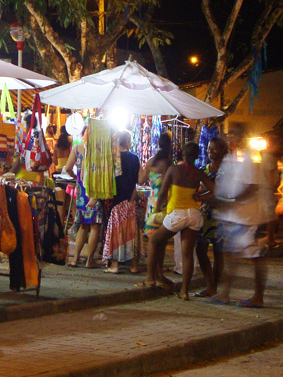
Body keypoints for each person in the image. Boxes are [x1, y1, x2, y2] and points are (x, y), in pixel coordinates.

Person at [146, 142, 214, 299]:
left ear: (182, 154)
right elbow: (214, 190)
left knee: (154, 240)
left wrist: (157, 210)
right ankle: (184, 291)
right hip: (194, 215)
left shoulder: (174, 169)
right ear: (196, 156)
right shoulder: (199, 172)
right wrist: (200, 196)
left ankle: (150, 277)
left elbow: (163, 193)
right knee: (187, 254)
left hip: (177, 214)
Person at [210, 125, 267, 308]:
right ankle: (225, 293)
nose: (230, 138)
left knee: (254, 256)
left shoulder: (249, 159)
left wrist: (232, 201)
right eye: (229, 135)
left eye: (234, 135)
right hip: (233, 216)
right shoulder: (230, 159)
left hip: (246, 217)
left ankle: (258, 296)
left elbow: (251, 187)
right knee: (231, 256)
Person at [101, 131, 141, 274]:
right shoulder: (135, 158)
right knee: (132, 232)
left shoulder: (112, 158)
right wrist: (133, 197)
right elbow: (139, 181)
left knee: (115, 232)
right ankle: (134, 265)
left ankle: (115, 265)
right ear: (128, 142)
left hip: (115, 200)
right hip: (130, 199)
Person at [63, 124, 102, 267]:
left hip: (81, 191)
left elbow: (67, 168)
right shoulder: (100, 150)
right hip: (95, 191)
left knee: (82, 226)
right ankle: (89, 260)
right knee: (94, 226)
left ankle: (75, 259)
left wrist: (76, 177)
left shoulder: (77, 149)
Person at [195, 137, 228, 297]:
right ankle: (210, 284)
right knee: (200, 249)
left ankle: (213, 285)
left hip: (221, 215)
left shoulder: (228, 171)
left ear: (223, 150)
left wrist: (201, 197)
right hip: (205, 215)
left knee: (218, 252)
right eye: (209, 148)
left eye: (214, 148)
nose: (210, 151)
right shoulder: (204, 169)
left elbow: (224, 194)